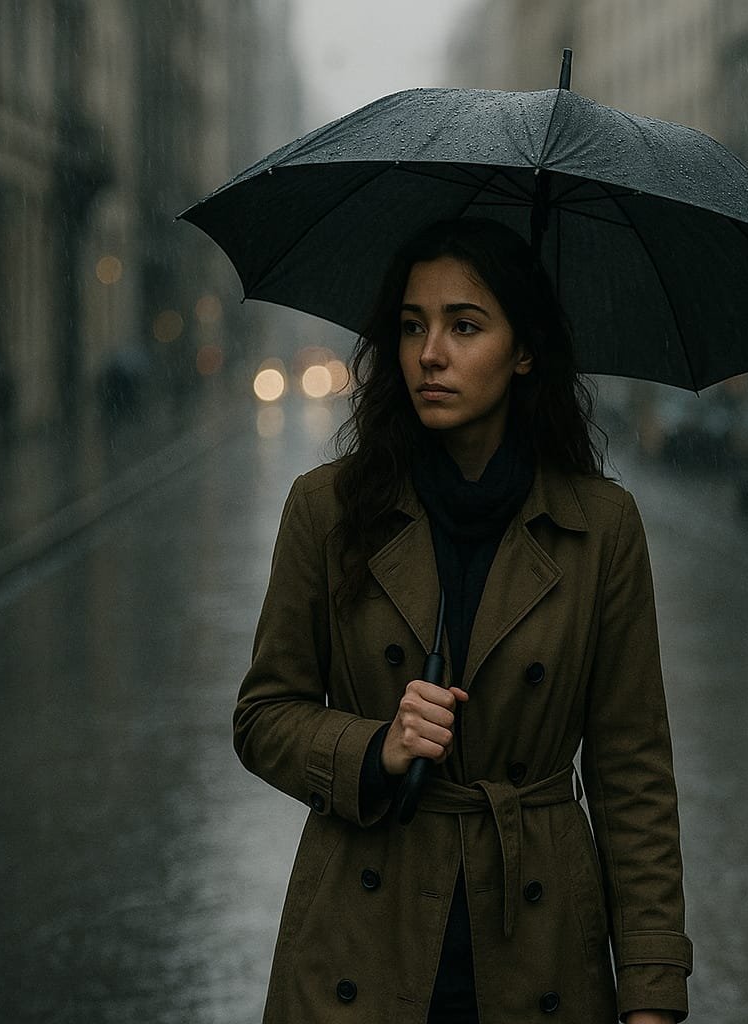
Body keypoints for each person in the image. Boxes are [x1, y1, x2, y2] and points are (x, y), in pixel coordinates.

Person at [234, 218, 691, 1023]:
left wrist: (651, 994)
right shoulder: (330, 510)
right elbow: (263, 716)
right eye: (413, 326)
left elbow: (633, 773)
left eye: (465, 326)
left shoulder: (601, 527)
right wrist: (375, 746)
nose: (430, 354)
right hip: (362, 942)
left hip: (538, 944)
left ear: (524, 351)